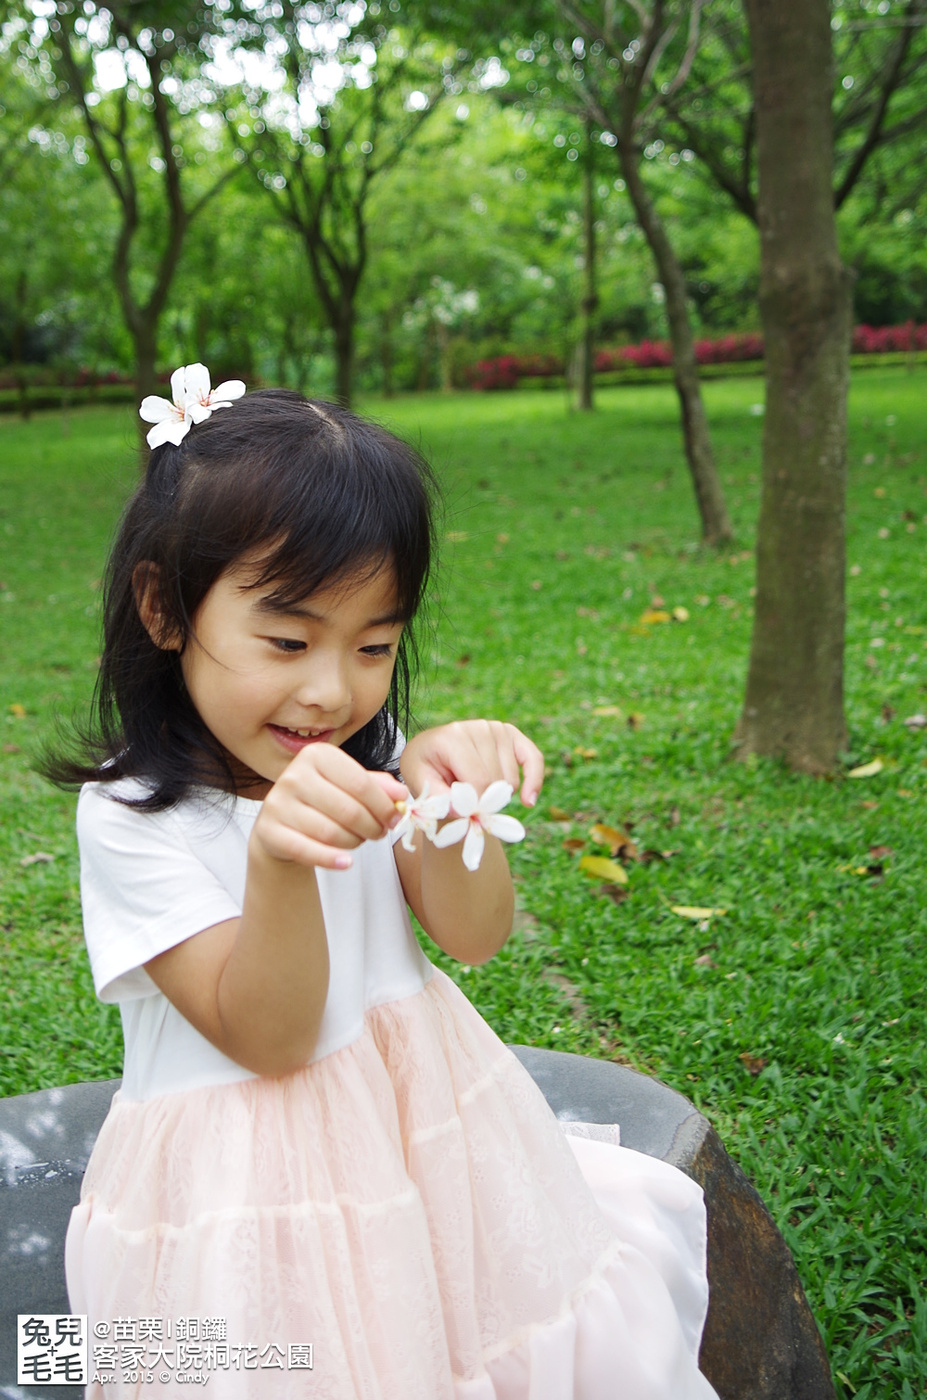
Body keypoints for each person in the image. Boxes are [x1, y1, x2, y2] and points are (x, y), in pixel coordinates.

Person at [53, 366, 719, 1398]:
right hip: (246, 1217)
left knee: (467, 1346)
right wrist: (279, 858)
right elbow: (268, 1036)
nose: (331, 690)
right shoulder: (136, 817)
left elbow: (474, 932)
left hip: (434, 1160)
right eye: (288, 639)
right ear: (164, 605)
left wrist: (451, 803)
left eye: (374, 644)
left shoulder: (371, 753)